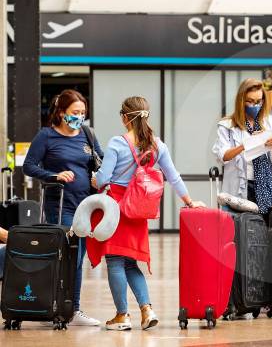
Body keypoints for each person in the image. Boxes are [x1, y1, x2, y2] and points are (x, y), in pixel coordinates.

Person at [89, 96, 204, 331]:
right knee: (131, 263)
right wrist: (190, 201)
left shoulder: (117, 143)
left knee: (114, 262)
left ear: (124, 118)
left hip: (116, 209)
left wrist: (94, 179)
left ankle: (122, 316)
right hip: (138, 211)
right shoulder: (157, 145)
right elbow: (173, 176)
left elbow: (103, 178)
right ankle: (147, 309)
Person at [23, 89, 102, 326]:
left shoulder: (87, 134)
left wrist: (100, 177)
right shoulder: (46, 136)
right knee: (67, 256)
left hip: (86, 206)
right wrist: (53, 175)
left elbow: (102, 160)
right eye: (74, 112)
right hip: (60, 206)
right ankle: (55, 304)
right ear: (61, 112)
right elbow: (29, 166)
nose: (79, 116)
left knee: (78, 260)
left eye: (82, 112)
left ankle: (73, 309)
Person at [212, 78, 272, 223]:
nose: (255, 105)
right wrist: (244, 145)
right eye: (250, 101)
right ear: (241, 101)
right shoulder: (227, 125)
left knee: (264, 233)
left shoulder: (270, 123)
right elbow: (223, 156)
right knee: (240, 232)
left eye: (259, 101)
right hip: (241, 187)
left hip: (265, 187)